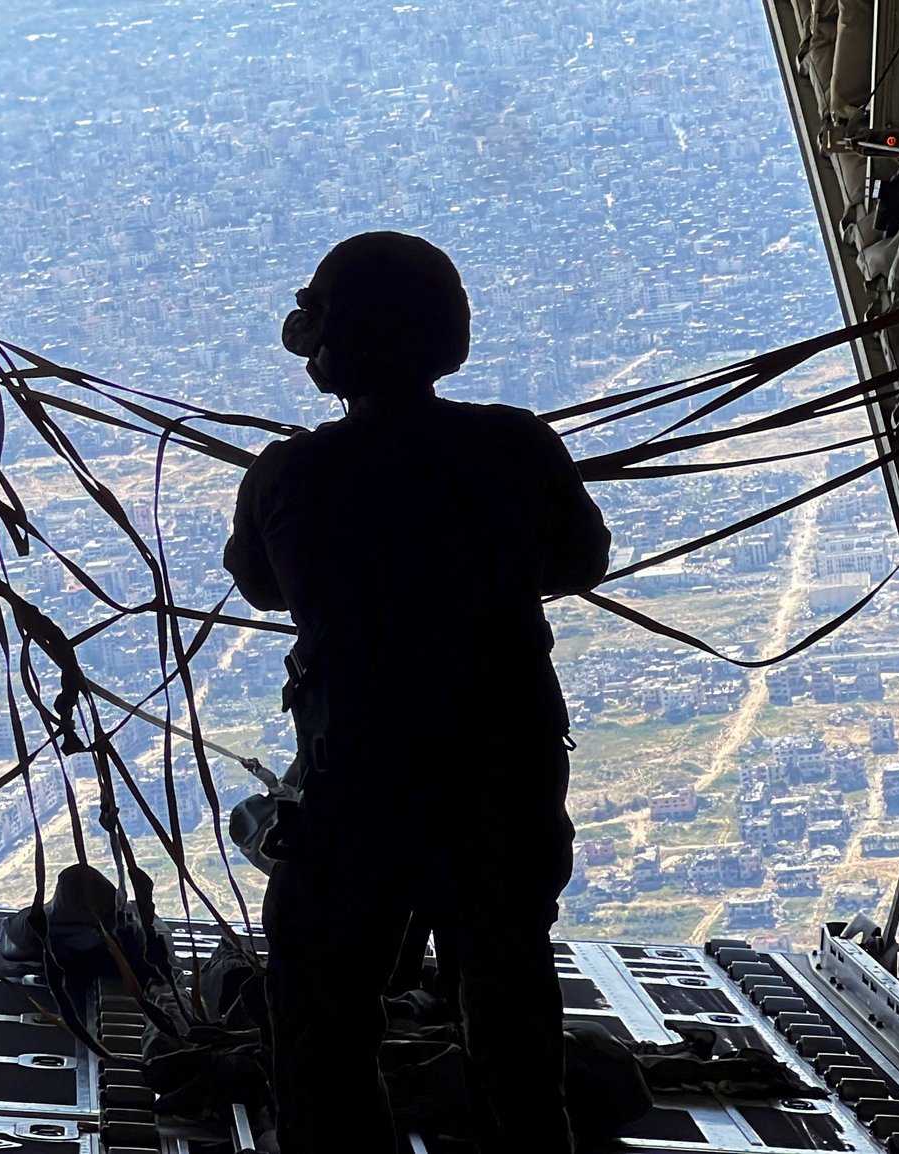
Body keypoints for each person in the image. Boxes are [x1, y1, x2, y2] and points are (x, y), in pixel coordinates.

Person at [223, 231, 610, 1153]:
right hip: (504, 777)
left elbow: (261, 583)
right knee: (511, 1000)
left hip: (359, 784)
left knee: (323, 1016)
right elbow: (580, 557)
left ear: (327, 345)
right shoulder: (516, 445)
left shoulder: (293, 475)